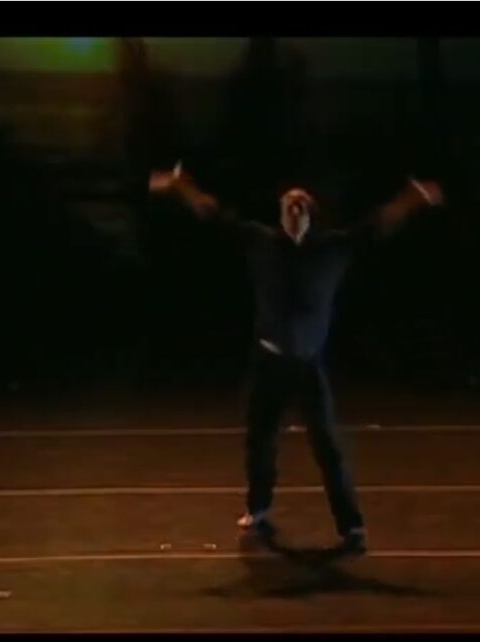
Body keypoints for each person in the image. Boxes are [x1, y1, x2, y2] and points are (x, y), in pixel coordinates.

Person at [150, 163, 443, 554]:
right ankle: (258, 507)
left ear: (311, 214)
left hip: (307, 364)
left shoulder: (332, 249)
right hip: (269, 361)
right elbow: (213, 213)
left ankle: (351, 524)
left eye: (301, 202)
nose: (293, 206)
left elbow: (378, 224)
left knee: (328, 446)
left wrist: (413, 198)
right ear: (280, 213)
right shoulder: (260, 241)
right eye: (288, 202)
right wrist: (180, 186)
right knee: (260, 440)